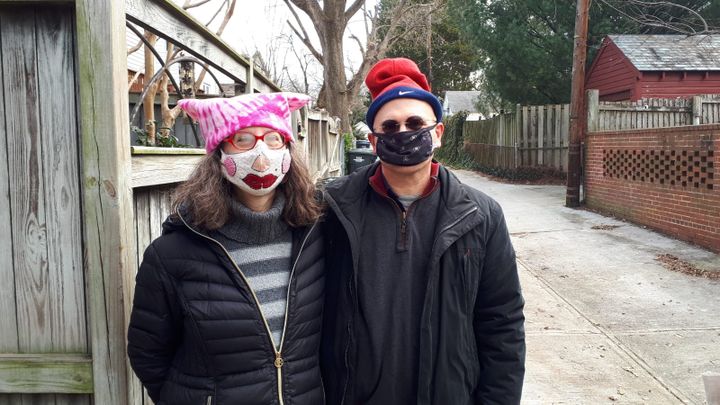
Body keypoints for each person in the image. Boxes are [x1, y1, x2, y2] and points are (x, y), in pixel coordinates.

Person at [320, 58, 526, 404]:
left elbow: (501, 325)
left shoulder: (481, 216)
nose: (403, 133)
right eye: (390, 126)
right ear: (373, 140)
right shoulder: (332, 210)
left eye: (415, 123)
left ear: (438, 133)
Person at [127, 92, 325, 405]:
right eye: (243, 139)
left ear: (288, 149)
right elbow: (147, 352)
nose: (261, 152)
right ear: (219, 153)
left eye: (273, 138)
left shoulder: (315, 237)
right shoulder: (171, 254)